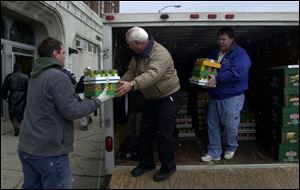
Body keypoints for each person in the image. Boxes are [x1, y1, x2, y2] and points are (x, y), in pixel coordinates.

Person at [17, 37, 113, 189]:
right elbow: (72, 112)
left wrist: (79, 97)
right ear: (55, 53)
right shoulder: (57, 76)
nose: (64, 56)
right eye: (63, 52)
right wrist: (100, 99)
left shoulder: (36, 74)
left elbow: (51, 102)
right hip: (49, 152)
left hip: (28, 148)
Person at [116, 26, 183, 182]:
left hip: (168, 97)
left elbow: (152, 75)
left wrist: (132, 85)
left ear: (138, 43)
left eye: (129, 44)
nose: (128, 47)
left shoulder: (161, 54)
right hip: (151, 99)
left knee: (164, 135)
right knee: (145, 132)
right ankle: (146, 163)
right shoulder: (138, 54)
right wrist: (122, 82)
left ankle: (168, 167)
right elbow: (131, 71)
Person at [201, 27, 251, 162]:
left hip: (232, 97)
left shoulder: (240, 54)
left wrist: (217, 78)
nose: (221, 42)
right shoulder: (215, 53)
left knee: (230, 126)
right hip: (215, 96)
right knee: (212, 125)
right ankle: (214, 151)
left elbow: (238, 72)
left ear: (232, 39)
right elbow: (207, 69)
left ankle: (231, 147)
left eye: (224, 39)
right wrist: (203, 79)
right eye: (219, 39)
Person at [2, 63, 29, 136]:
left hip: (12, 96)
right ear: (20, 68)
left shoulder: (9, 76)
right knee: (22, 113)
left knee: (13, 113)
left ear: (13, 68)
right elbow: (29, 89)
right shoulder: (25, 77)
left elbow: (4, 88)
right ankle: (22, 127)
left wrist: (5, 97)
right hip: (23, 96)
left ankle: (16, 127)